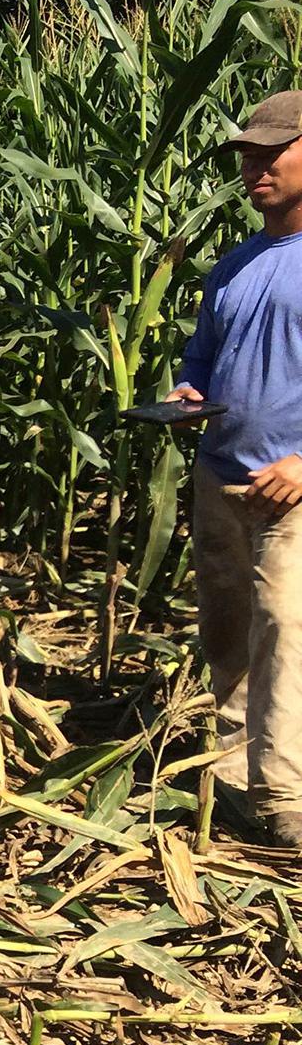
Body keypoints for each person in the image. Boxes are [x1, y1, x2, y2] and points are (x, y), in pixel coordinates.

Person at [167, 89, 302, 846]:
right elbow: (204, 360)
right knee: (228, 632)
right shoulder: (235, 264)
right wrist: (189, 394)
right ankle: (231, 775)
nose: (254, 165)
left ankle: (285, 805)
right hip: (221, 476)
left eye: (272, 149)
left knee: (287, 632)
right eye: (247, 153)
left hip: (291, 488)